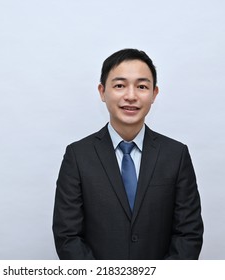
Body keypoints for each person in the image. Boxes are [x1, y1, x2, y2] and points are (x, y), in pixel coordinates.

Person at [52, 48, 204, 260]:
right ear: (102, 92)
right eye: (120, 85)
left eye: (142, 86)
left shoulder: (176, 155)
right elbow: (68, 236)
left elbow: (188, 234)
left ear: (154, 94)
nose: (130, 96)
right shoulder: (77, 156)